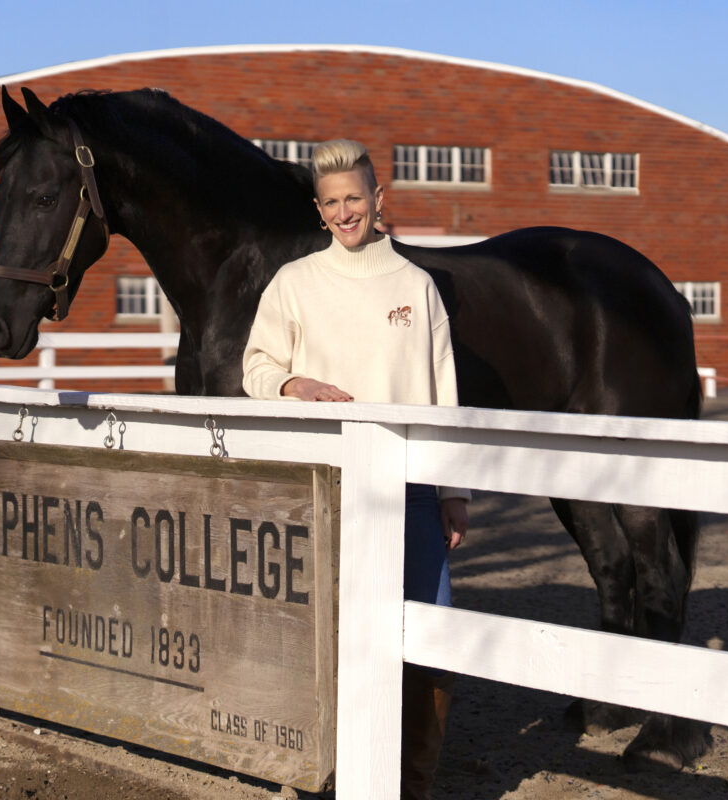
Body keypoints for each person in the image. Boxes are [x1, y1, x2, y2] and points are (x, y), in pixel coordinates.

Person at [242, 139, 470, 800]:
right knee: (330, 641)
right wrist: (294, 386)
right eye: (333, 202)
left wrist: (452, 491)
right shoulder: (296, 284)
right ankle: (331, 779)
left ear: (378, 200)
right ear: (320, 211)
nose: (346, 212)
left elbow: (441, 393)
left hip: (411, 494)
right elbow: (254, 366)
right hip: (327, 492)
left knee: (430, 639)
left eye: (356, 199)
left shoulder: (416, 288)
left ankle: (411, 785)